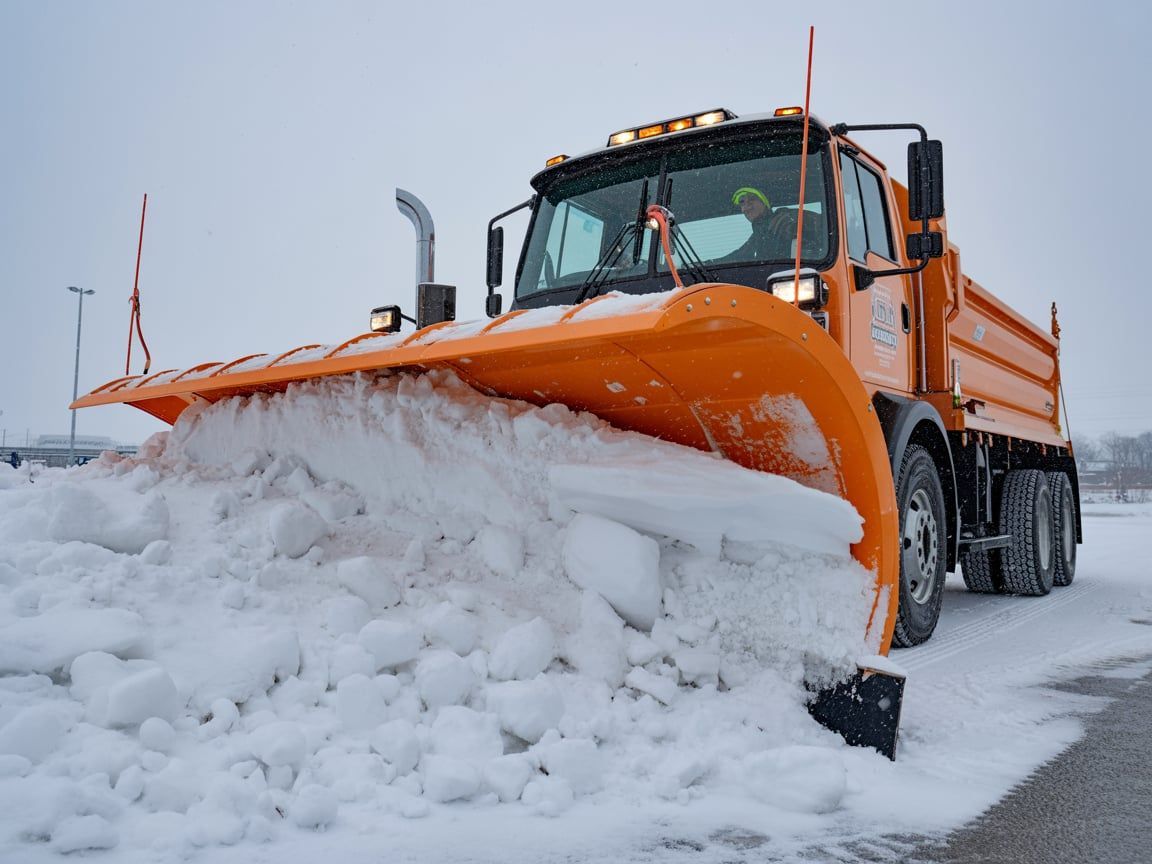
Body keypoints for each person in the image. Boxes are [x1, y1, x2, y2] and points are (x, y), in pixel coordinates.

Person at [728, 186, 794, 261]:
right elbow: (737, 257)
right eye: (742, 202)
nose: (747, 206)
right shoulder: (757, 236)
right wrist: (712, 265)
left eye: (752, 199)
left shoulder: (785, 220)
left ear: (765, 203)